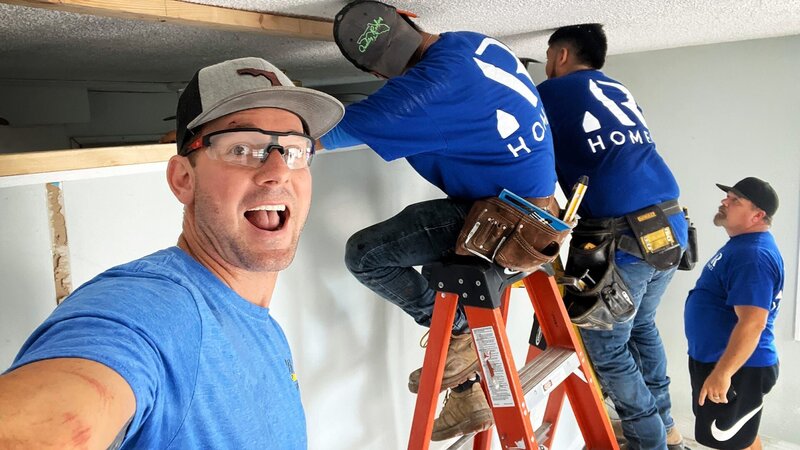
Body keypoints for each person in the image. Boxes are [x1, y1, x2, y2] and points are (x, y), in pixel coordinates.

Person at [0, 57, 344, 448]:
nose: (279, 172)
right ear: (183, 179)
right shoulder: (150, 312)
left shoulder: (258, 323)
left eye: (295, 151)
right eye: (242, 148)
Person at [320, 0, 557, 440]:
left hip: (503, 226)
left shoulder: (416, 94)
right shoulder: (474, 42)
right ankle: (468, 394)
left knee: (366, 256)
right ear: (409, 17)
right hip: (541, 216)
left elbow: (317, 136)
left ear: (377, 73)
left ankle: (461, 333)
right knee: (440, 259)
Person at [536, 24, 689, 450]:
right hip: (670, 225)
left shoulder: (551, 92)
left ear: (561, 55)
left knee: (606, 345)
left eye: (548, 57)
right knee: (641, 325)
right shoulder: (618, 89)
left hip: (625, 237)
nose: (547, 65)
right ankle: (666, 427)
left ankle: (648, 440)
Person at [685, 177, 782, 450]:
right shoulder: (743, 246)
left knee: (730, 442)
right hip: (723, 362)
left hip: (738, 368)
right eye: (727, 197)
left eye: (735, 200)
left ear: (757, 215)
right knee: (739, 438)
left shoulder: (753, 256)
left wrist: (724, 372)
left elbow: (753, 323)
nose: (724, 202)